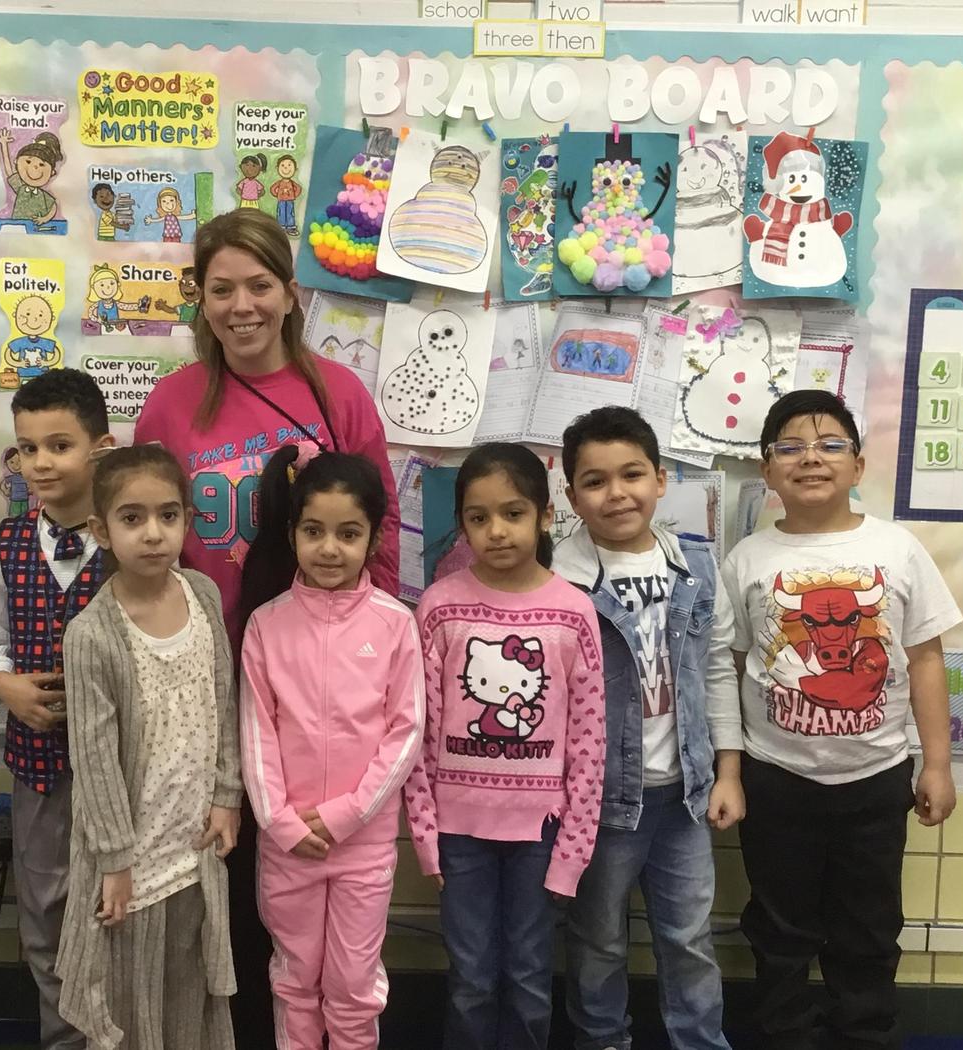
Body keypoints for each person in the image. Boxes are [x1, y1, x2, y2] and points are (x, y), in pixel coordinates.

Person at [133, 208, 400, 1043]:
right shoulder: (174, 404)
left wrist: (378, 639)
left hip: (316, 675)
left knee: (309, 853)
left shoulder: (338, 394)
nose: (241, 305)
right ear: (200, 301)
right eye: (221, 290)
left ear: (291, 293)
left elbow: (379, 530)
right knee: (230, 860)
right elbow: (149, 541)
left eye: (259, 285)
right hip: (209, 669)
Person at [708, 390, 961, 1050]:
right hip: (776, 780)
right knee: (779, 929)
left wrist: (936, 764)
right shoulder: (747, 561)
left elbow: (926, 659)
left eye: (829, 445)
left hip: (877, 779)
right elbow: (727, 672)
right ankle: (784, 1035)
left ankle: (865, 1036)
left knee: (870, 929)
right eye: (788, 447)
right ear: (766, 472)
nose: (810, 458)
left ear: (858, 464)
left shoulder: (898, 550)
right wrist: (729, 770)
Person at [402, 442, 606, 1050]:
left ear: (545, 516)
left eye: (513, 513)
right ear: (461, 522)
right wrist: (426, 834)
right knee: (471, 979)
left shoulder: (573, 611)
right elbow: (418, 731)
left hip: (540, 836)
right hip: (458, 834)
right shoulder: (439, 608)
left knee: (527, 975)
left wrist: (573, 850)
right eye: (478, 517)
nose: (496, 531)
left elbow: (589, 743)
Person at [555, 406, 732, 1050]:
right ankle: (603, 1040)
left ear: (661, 478)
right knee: (598, 940)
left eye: (632, 474)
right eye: (594, 481)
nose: (616, 493)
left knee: (689, 937)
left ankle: (700, 1040)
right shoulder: (558, 579)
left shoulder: (697, 566)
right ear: (570, 492)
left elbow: (716, 672)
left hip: (685, 796)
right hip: (597, 803)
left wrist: (729, 772)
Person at [236, 441, 423, 1050]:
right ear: (291, 533)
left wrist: (345, 815)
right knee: (294, 979)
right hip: (287, 845)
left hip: (362, 849)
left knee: (352, 983)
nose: (329, 548)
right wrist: (281, 823)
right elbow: (256, 732)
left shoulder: (396, 624)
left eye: (348, 533)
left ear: (373, 539)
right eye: (313, 530)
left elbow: (405, 732)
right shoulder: (266, 625)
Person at [54, 444, 242, 1049]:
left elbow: (224, 700)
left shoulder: (203, 596)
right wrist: (113, 861)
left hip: (194, 842)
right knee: (130, 996)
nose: (153, 534)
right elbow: (94, 759)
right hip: (131, 858)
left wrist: (226, 794)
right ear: (100, 531)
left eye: (168, 516)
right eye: (132, 519)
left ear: (188, 519)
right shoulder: (91, 635)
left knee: (189, 988)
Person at [0, 369, 115, 1050]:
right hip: (37, 773)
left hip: (121, 776)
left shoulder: (132, 545)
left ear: (100, 448)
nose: (40, 462)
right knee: (46, 919)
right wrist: (3, 684)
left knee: (118, 917)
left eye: (58, 445)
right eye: (27, 448)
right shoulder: (4, 544)